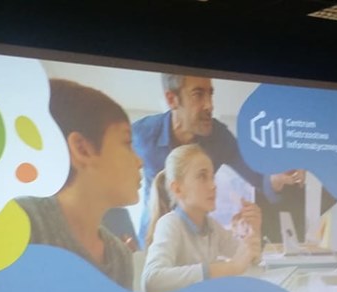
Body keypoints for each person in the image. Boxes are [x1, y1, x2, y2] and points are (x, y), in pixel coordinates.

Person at [131, 74, 306, 247]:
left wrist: (277, 177)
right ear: (172, 99)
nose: (210, 105)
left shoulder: (220, 138)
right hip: (152, 240)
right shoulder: (140, 135)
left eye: (210, 94)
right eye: (198, 94)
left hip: (197, 242)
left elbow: (259, 177)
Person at [16, 78, 142, 290]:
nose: (139, 162)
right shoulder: (24, 222)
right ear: (82, 149)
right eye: (127, 143)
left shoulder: (120, 257)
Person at [141, 144, 261, 292]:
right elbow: (152, 281)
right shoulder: (170, 224)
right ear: (178, 189)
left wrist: (253, 230)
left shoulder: (211, 226)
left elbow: (245, 259)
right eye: (202, 177)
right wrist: (230, 268)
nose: (213, 186)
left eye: (212, 177)